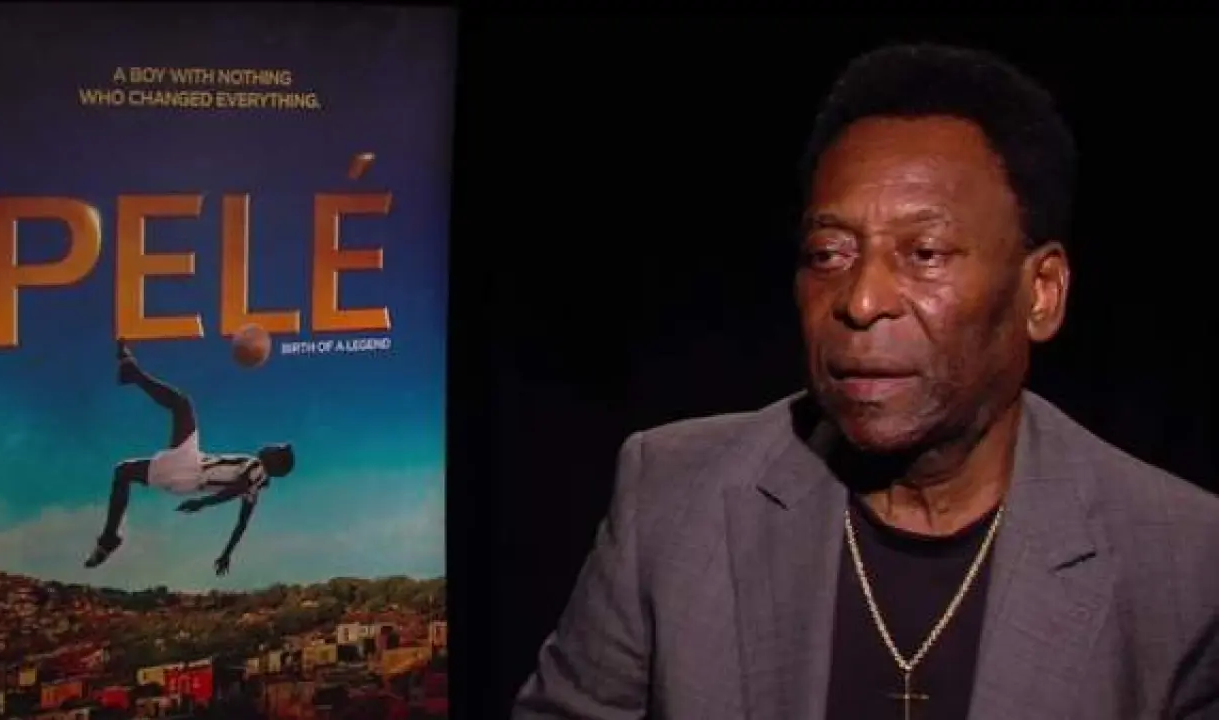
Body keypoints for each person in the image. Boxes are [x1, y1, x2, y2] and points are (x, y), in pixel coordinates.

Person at [512, 43, 1219, 720]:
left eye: (925, 252)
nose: (861, 299)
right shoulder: (673, 496)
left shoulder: (1185, 561)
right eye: (829, 253)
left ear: (1042, 293)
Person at [83, 340, 296, 576]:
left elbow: (236, 488)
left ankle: (132, 372)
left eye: (275, 448)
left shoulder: (257, 469)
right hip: (188, 474)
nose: (269, 446)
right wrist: (226, 554)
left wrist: (202, 504)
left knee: (182, 403)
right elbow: (242, 524)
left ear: (274, 461)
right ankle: (108, 539)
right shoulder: (254, 489)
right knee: (123, 472)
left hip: (191, 469)